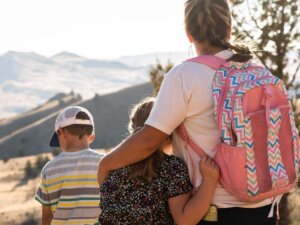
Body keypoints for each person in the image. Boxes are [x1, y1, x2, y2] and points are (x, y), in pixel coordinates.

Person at [98, 0, 278, 225]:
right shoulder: (257, 71)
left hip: (214, 208)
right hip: (265, 205)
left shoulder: (185, 75)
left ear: (188, 34)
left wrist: (106, 163)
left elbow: (148, 141)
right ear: (230, 29)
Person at [98, 98, 220, 225]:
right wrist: (209, 181)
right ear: (169, 132)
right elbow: (185, 220)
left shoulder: (111, 167)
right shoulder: (171, 168)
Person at [35, 106, 104, 225]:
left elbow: (47, 217)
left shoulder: (49, 169)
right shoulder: (105, 163)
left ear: (61, 133)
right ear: (91, 137)